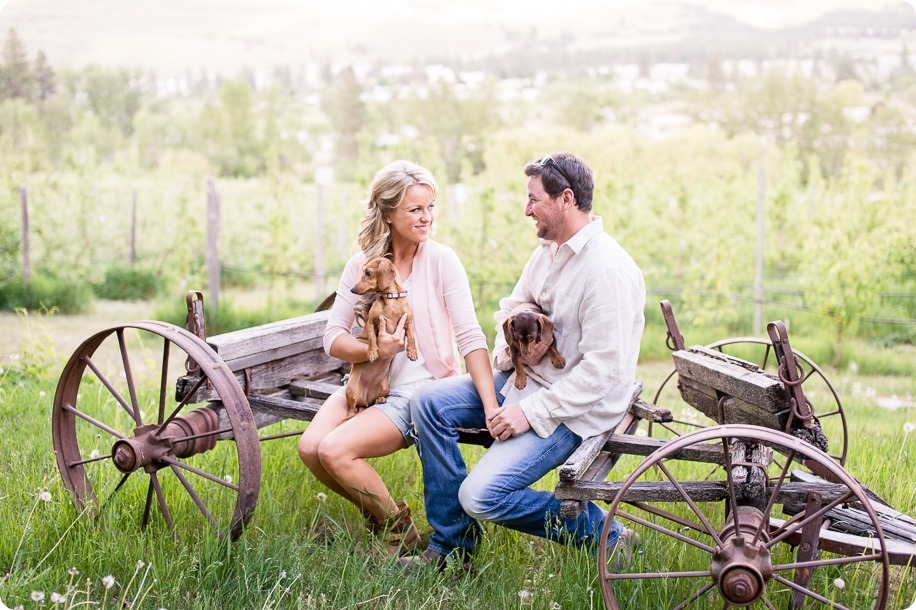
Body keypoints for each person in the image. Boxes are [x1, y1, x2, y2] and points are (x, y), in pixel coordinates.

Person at [400, 152, 645, 571]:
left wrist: (527, 414)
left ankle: (606, 534)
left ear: (565, 199)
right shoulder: (549, 252)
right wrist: (506, 360)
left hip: (575, 410)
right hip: (524, 382)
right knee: (426, 403)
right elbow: (511, 308)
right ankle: (453, 546)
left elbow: (604, 373)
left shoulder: (607, 271)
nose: (526, 209)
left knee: (480, 495)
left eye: (534, 199)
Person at [297, 160, 499, 557]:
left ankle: (393, 530)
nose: (427, 218)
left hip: (419, 390)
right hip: (365, 382)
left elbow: (470, 336)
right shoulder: (362, 265)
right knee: (310, 448)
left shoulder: (441, 261)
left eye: (431, 207)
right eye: (415, 209)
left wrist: (489, 403)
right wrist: (374, 350)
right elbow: (332, 338)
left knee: (335, 451)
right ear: (388, 214)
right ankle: (387, 517)